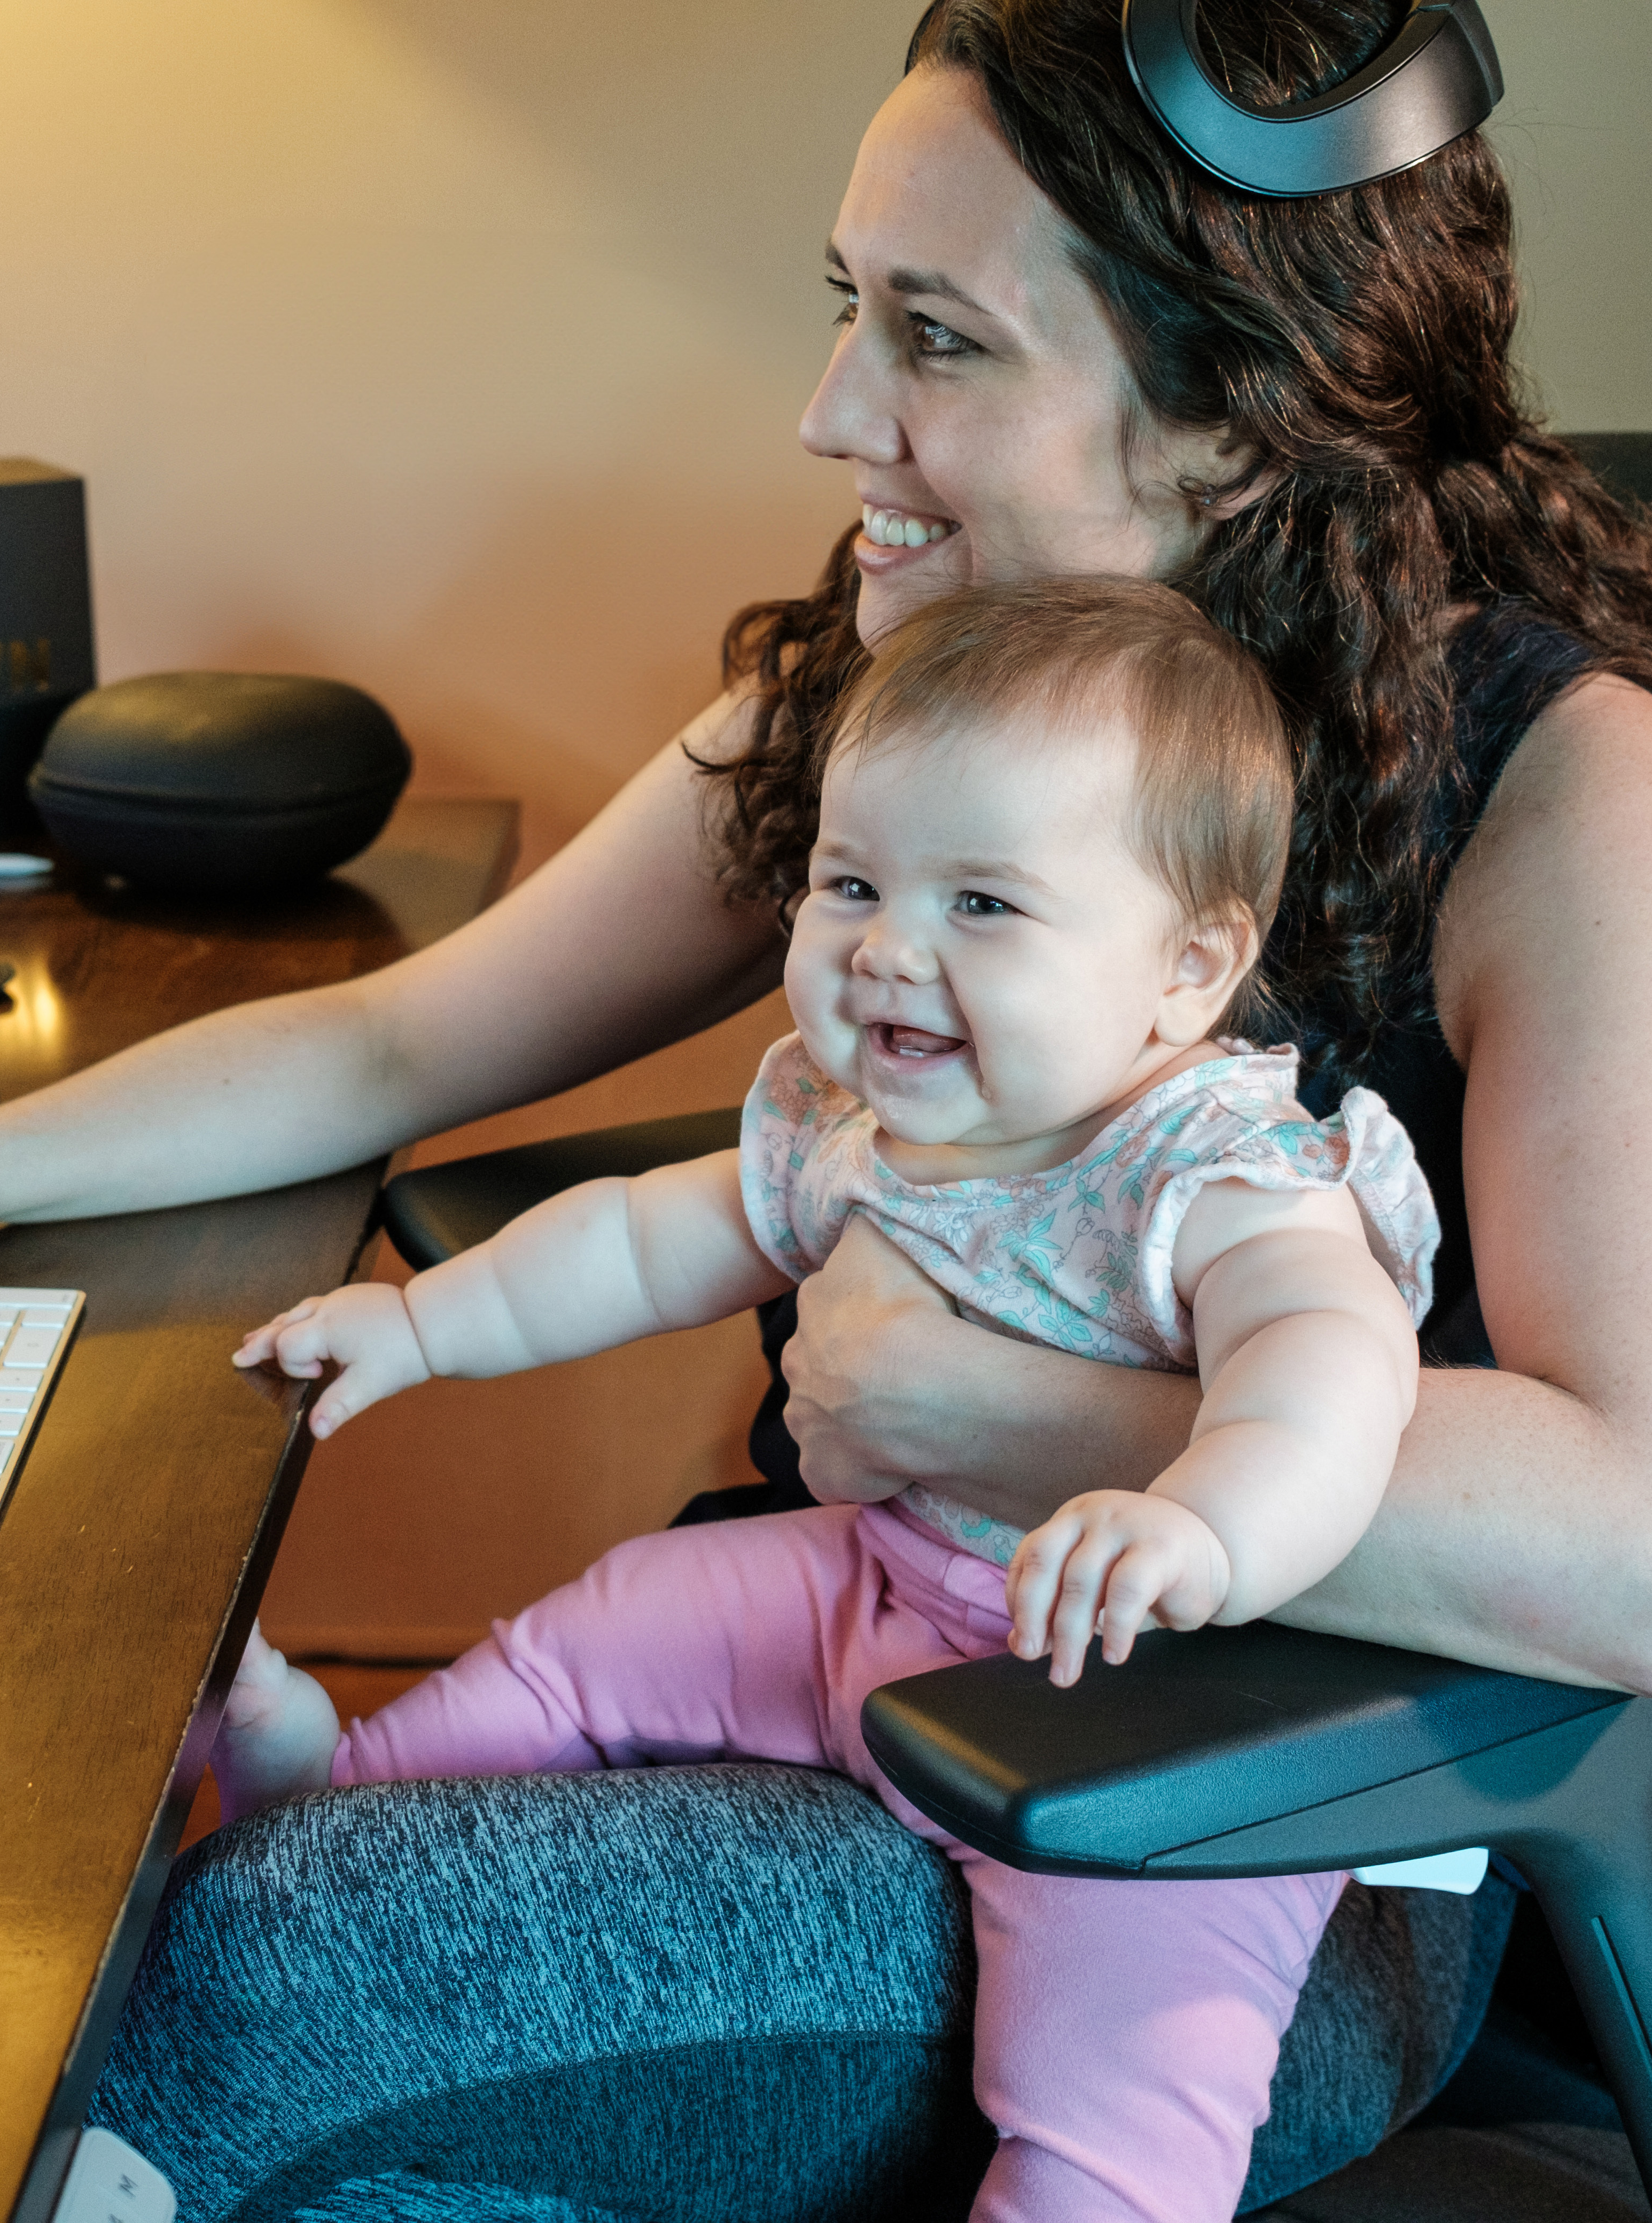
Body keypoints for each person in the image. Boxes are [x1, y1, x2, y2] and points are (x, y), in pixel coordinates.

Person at [0, 0, 1652, 2206]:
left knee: (237, 1989)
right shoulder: (913, 695)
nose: (832, 411)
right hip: (839, 1654)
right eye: (847, 306)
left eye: (937, 338)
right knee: (197, 1950)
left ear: (1235, 409)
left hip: (1228, 1835)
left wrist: (987, 1409)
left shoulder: (1570, 794)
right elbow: (399, 1045)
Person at [220, 576, 1437, 2219]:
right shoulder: (853, 1118)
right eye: (853, 881)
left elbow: (1331, 1370)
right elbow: (645, 1241)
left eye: (983, 904)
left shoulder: (1211, 1166)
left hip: (1151, 1707)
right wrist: (422, 1326)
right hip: (875, 1588)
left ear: (1188, 967)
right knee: (596, 1632)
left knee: (1110, 2097)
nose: (888, 949)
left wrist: (1207, 1531)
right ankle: (334, 1800)